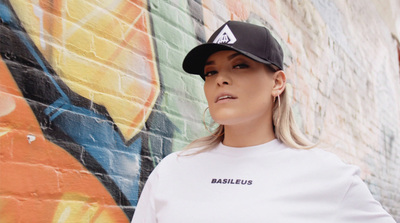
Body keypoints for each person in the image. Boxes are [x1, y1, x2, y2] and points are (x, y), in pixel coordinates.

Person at [132, 21, 396, 223]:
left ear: (277, 82)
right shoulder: (171, 172)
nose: (219, 79)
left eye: (239, 66)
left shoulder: (326, 175)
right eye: (210, 72)